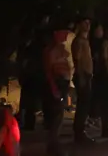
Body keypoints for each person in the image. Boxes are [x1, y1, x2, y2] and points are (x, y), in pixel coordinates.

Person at [42, 28, 71, 156]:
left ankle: (54, 144)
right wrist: (54, 87)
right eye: (63, 33)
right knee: (56, 115)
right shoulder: (51, 50)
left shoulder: (60, 49)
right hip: (57, 83)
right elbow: (48, 71)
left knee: (59, 114)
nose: (66, 35)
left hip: (62, 83)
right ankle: (53, 145)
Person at [71, 17, 95, 144]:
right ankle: (79, 132)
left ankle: (80, 130)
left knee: (84, 104)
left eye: (89, 23)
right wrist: (81, 76)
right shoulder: (79, 41)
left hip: (86, 75)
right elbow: (78, 59)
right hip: (83, 75)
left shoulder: (85, 40)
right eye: (85, 23)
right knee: (82, 105)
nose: (88, 25)